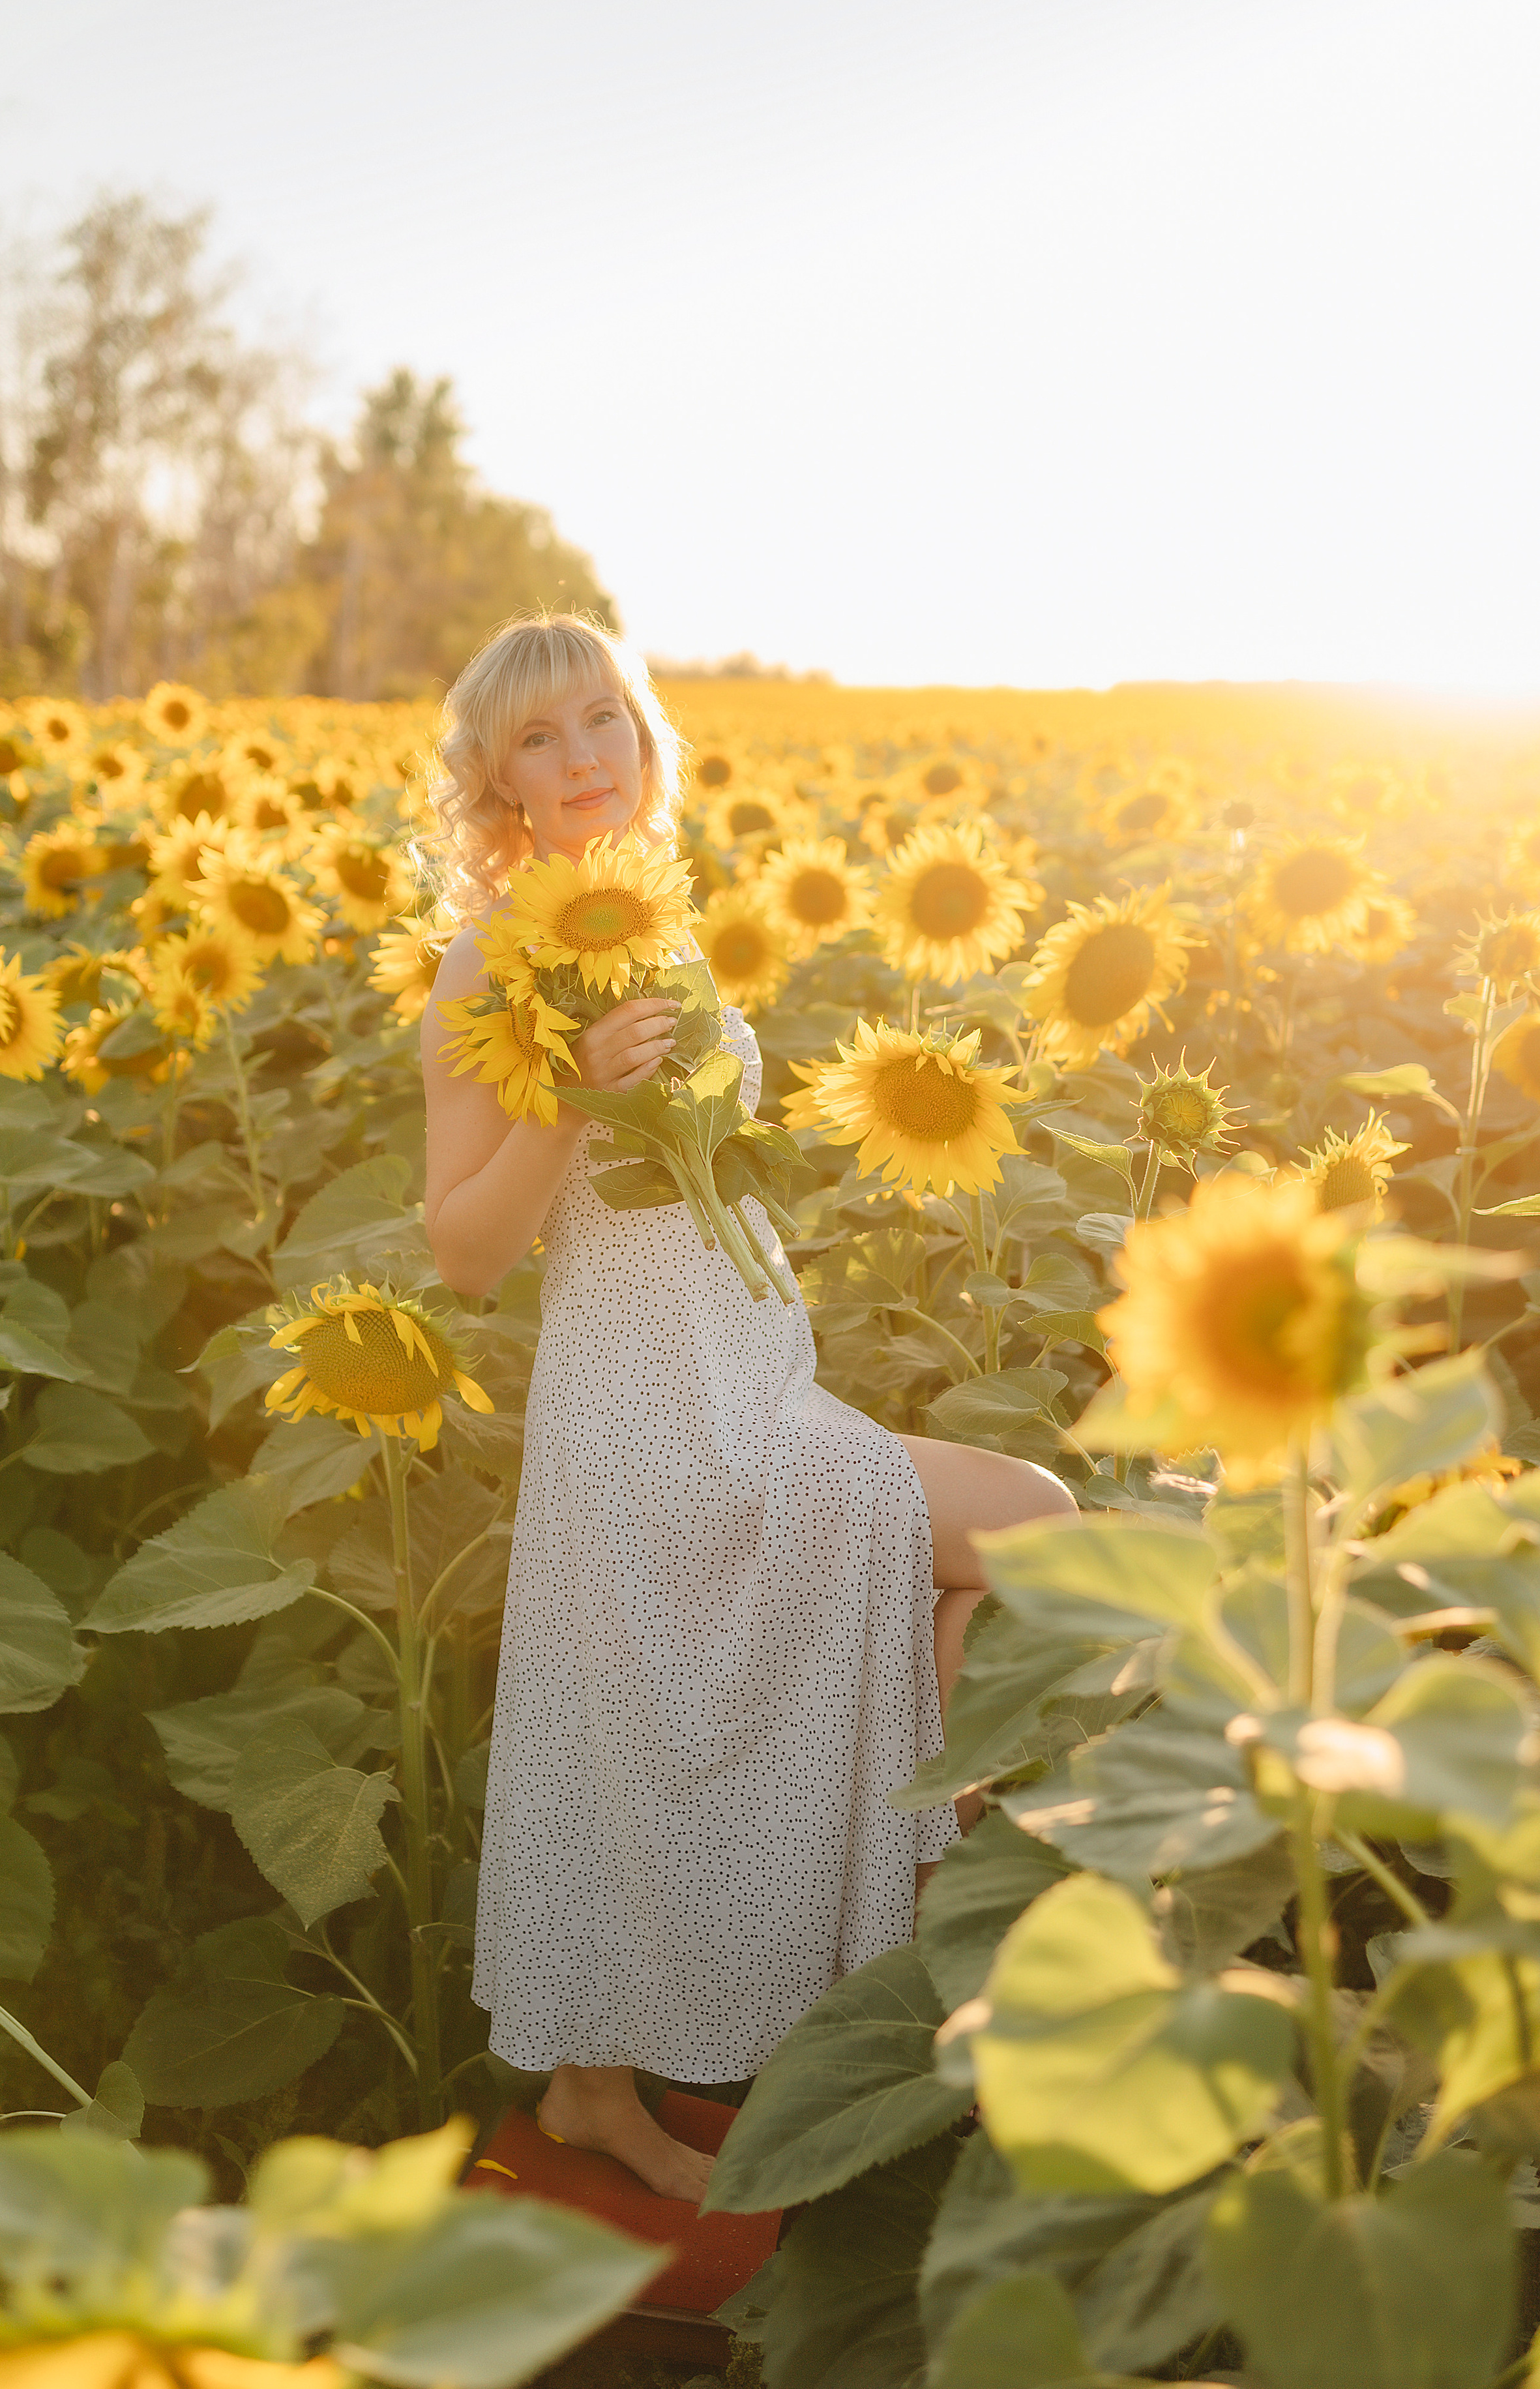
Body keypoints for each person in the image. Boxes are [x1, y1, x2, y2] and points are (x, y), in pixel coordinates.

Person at [421, 613, 1074, 2204]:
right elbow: (462, 1248)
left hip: (747, 1381)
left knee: (975, 1570)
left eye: (601, 723)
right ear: (496, 785)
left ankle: (897, 1905)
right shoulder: (488, 962)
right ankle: (624, 2076)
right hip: (642, 1413)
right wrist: (575, 1099)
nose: (579, 760)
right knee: (1029, 1532)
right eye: (536, 741)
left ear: (642, 739)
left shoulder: (658, 922)